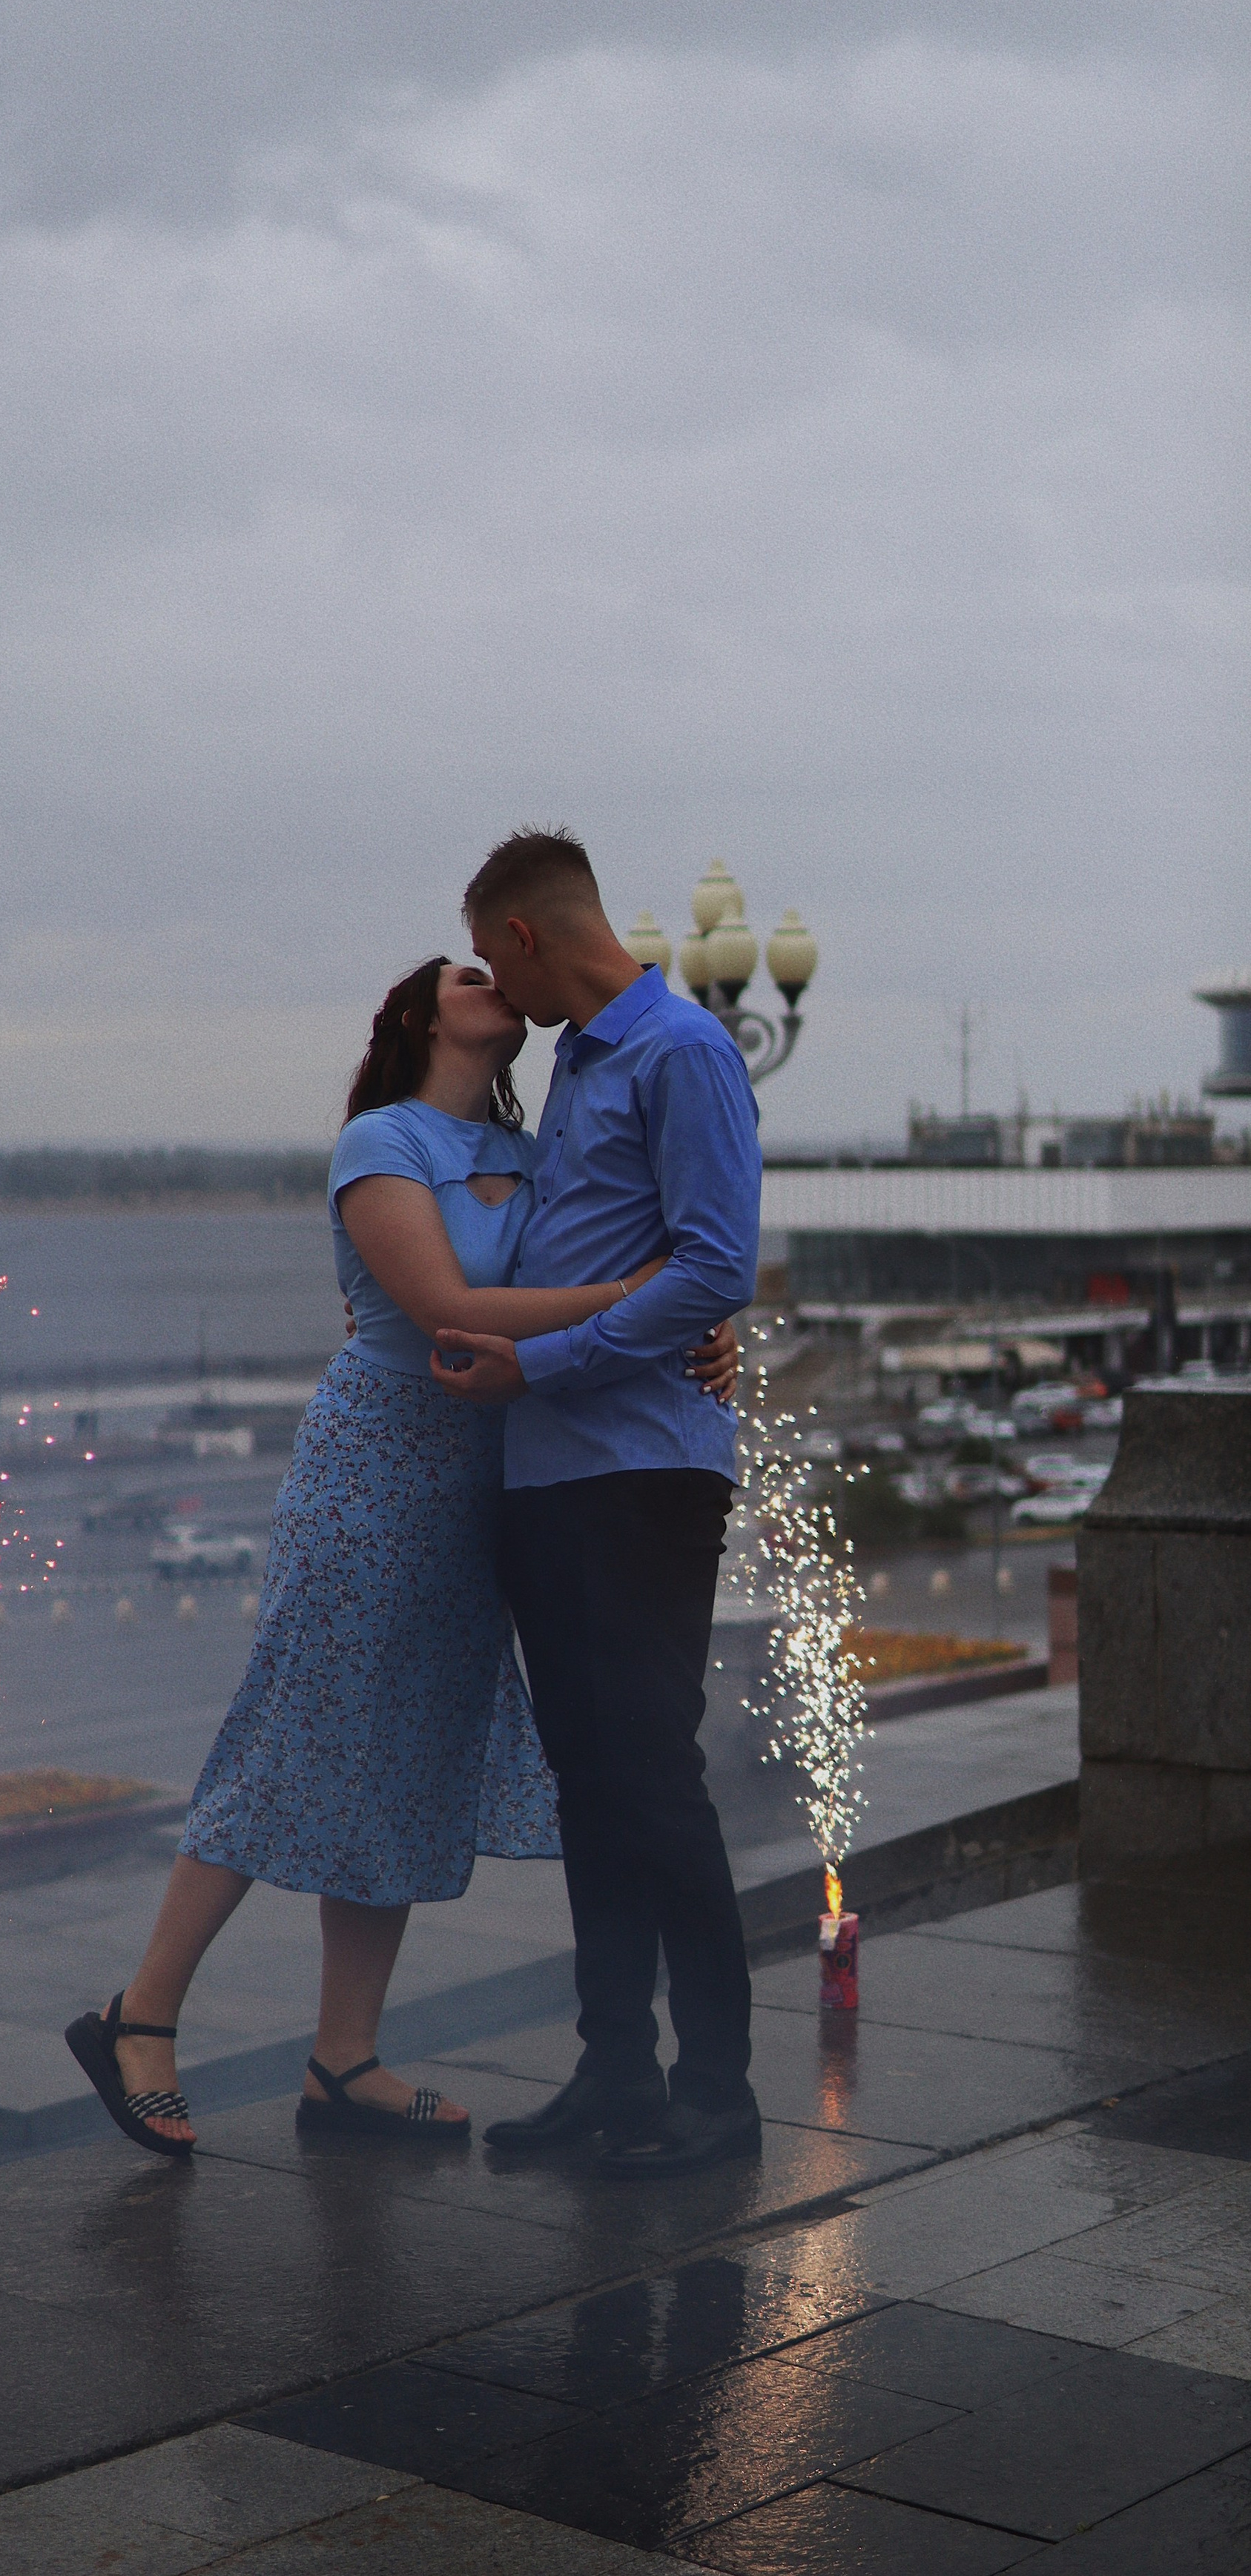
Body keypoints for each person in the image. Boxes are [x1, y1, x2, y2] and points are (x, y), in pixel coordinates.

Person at [66, 951, 740, 2158]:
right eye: (467, 969)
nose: (495, 981)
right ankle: (140, 2014)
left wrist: (701, 1316)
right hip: (373, 1472)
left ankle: (345, 2060)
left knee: (401, 1756)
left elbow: (608, 1260)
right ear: (422, 1015)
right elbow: (447, 1312)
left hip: (497, 1483)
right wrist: (656, 1293)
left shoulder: (536, 1158)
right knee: (297, 1730)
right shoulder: (381, 1143)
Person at [432, 825, 764, 2178]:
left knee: (654, 1783)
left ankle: (721, 2092)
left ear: (520, 937)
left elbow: (715, 1265)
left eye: (495, 963)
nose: (501, 998)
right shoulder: (578, 1061)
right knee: (593, 1790)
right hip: (553, 1476)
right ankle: (617, 2069)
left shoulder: (682, 1051)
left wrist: (545, 1361)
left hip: (639, 1472)